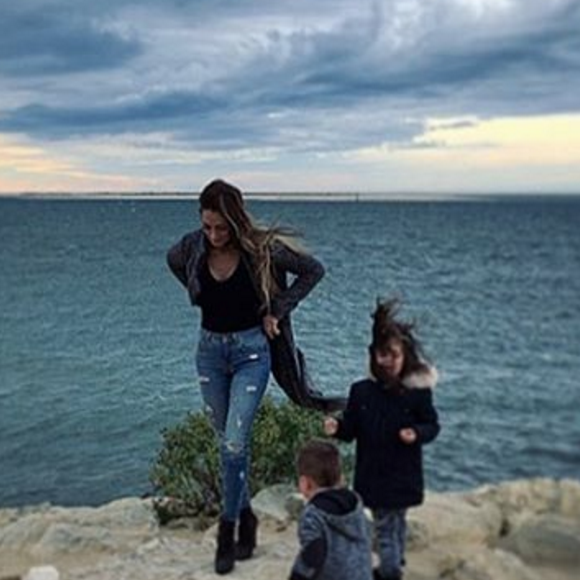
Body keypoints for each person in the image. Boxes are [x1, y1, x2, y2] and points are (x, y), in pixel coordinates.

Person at [166, 179, 326, 575]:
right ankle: (249, 515)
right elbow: (174, 261)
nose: (215, 235)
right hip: (209, 354)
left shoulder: (261, 248)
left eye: (222, 227)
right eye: (208, 227)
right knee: (228, 445)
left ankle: (228, 530)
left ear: (236, 221)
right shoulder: (192, 247)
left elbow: (312, 270)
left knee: (235, 443)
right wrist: (196, 285)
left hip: (252, 353)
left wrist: (277, 310)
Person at [324, 299, 440, 580]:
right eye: (380, 354)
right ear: (372, 354)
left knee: (392, 524)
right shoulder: (362, 391)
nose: (385, 361)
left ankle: (390, 571)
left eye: (392, 355)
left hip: (403, 474)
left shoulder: (416, 393)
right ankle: (394, 564)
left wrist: (417, 433)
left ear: (406, 357)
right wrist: (336, 428)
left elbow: (432, 424)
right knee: (390, 524)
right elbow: (351, 430)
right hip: (373, 475)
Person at [290, 440, 373, 580]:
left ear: (305, 484)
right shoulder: (355, 502)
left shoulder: (313, 514)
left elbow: (313, 555)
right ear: (341, 478)